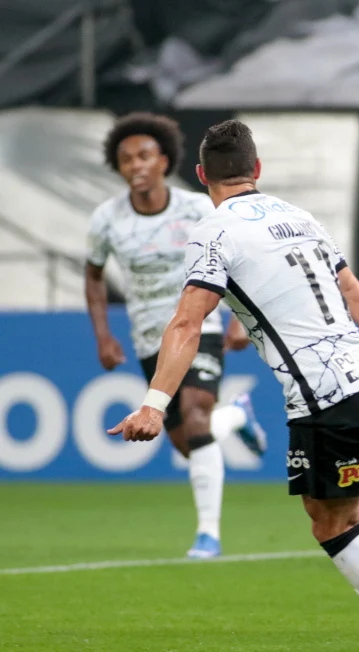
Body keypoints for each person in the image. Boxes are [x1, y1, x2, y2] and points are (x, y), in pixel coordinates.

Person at [108, 119, 359, 652]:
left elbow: (188, 323)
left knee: (330, 525)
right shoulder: (301, 219)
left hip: (326, 398)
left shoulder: (214, 232)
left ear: (200, 175)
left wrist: (153, 404)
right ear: (256, 170)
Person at [85, 112, 267, 559]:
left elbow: (238, 255)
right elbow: (93, 276)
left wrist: (240, 318)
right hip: (151, 337)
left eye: (145, 155)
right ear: (118, 166)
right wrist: (103, 335)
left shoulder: (197, 208)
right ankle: (238, 417)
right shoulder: (106, 219)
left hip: (199, 324)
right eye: (126, 158)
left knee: (195, 412)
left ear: (165, 160)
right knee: (188, 441)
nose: (136, 165)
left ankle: (208, 535)